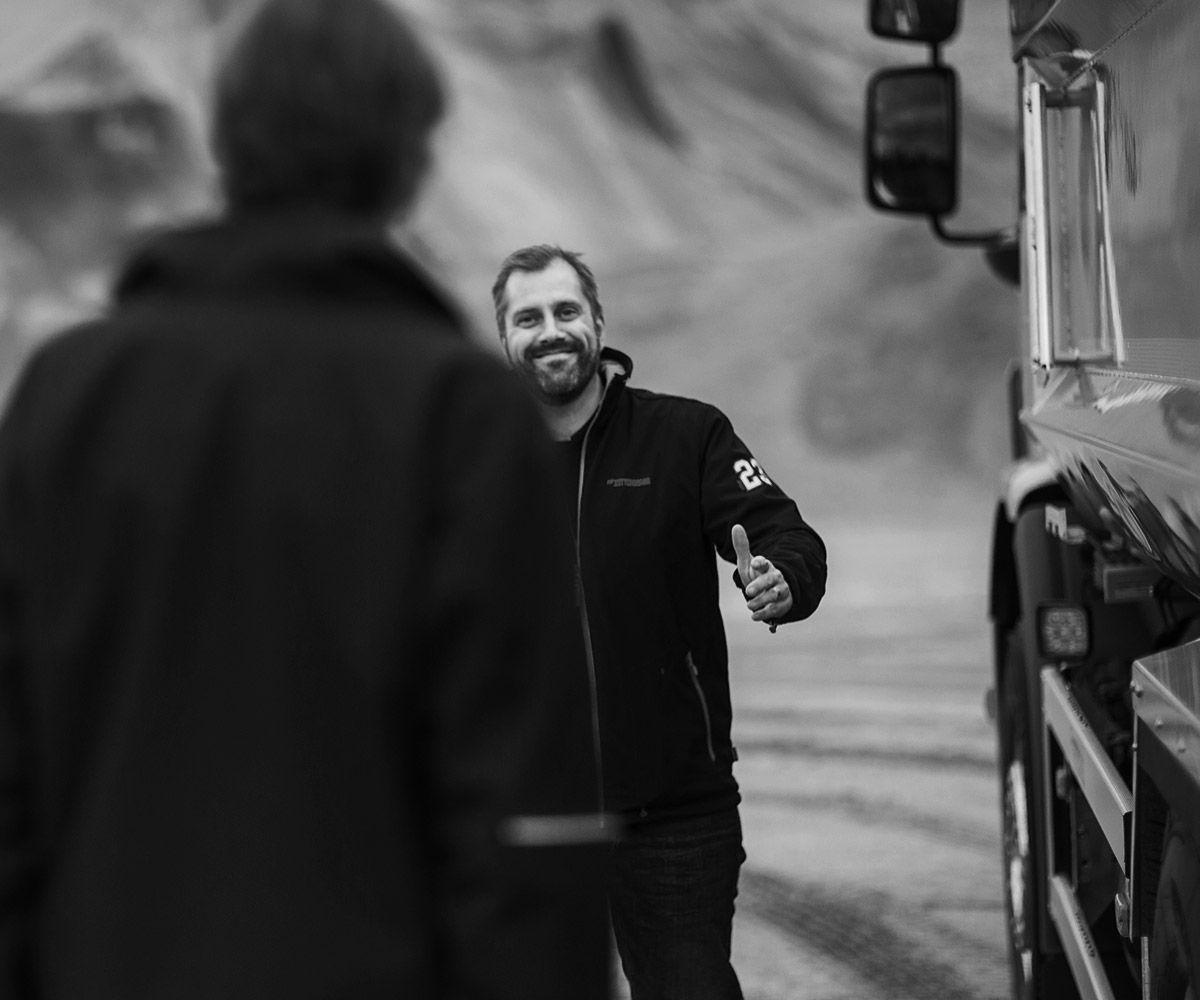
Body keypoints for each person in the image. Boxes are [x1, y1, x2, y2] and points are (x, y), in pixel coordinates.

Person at [0, 4, 611, 998]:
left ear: (228, 147)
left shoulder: (67, 396)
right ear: (407, 162)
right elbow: (523, 819)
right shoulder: (461, 416)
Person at [491, 244, 828, 1000]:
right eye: (529, 317)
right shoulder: (469, 456)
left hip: (673, 809)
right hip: (525, 817)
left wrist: (783, 579)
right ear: (505, 337)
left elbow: (786, 535)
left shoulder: (686, 435)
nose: (550, 330)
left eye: (566, 311)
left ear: (598, 322)